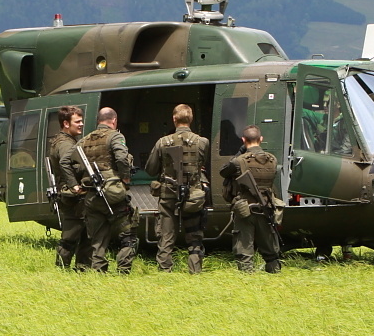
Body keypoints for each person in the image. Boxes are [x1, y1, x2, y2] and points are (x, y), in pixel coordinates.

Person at [72, 107, 138, 274]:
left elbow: (71, 161)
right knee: (128, 234)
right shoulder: (115, 136)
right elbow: (122, 157)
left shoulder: (84, 140)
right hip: (113, 193)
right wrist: (125, 177)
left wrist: (78, 182)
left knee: (97, 239)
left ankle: (98, 271)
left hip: (92, 195)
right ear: (114, 121)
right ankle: (123, 270)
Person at [145, 104, 210, 274]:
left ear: (174, 119)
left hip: (168, 195)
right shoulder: (202, 142)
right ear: (191, 119)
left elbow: (150, 169)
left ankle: (165, 271)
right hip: (193, 195)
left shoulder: (162, 142)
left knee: (166, 237)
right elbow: (201, 164)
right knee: (195, 237)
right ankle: (195, 271)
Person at [220, 125, 282, 274]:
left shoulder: (238, 161)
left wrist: (239, 153)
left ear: (243, 140)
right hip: (266, 207)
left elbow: (223, 171)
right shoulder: (273, 160)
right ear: (261, 139)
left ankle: (247, 280)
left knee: (244, 251)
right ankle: (275, 274)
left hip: (245, 209)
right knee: (271, 250)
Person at [47, 106, 91, 271]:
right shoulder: (66, 144)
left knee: (80, 233)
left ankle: (80, 269)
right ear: (66, 123)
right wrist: (74, 185)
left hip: (69, 195)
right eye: (77, 121)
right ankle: (68, 269)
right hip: (73, 198)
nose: (81, 124)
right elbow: (65, 162)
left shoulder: (61, 140)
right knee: (72, 236)